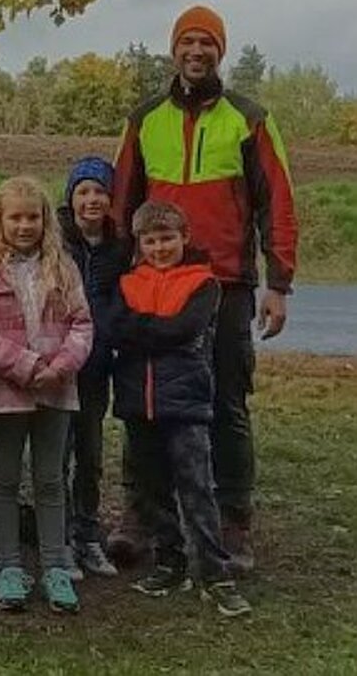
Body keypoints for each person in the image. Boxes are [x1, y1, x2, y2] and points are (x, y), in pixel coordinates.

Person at [113, 4, 298, 572]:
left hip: (225, 284)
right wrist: (116, 276)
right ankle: (143, 516)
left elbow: (279, 202)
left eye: (207, 44)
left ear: (220, 52)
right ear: (174, 50)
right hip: (153, 282)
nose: (196, 52)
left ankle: (232, 519)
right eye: (187, 42)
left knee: (225, 402)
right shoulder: (145, 118)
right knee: (144, 399)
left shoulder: (250, 118)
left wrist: (279, 282)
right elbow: (123, 202)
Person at [107, 201, 251, 618]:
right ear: (139, 244)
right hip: (138, 402)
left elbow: (185, 328)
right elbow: (116, 326)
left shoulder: (203, 284)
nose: (159, 247)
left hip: (185, 403)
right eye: (150, 240)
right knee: (152, 488)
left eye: (167, 238)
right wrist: (154, 332)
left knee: (197, 488)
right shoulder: (128, 282)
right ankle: (170, 562)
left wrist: (143, 331)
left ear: (184, 238)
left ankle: (215, 573)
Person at [0, 175, 92, 615]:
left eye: (32, 217)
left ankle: (56, 565)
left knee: (51, 477)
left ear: (45, 220)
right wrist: (24, 366)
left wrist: (58, 368)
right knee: (3, 479)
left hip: (57, 389)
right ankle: (10, 566)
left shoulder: (63, 267)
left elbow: (82, 324)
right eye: (15, 217)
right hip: (5, 390)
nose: (24, 225)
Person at [57, 156, 129, 578]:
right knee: (56, 455)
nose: (92, 200)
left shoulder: (120, 247)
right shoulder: (56, 242)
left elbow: (124, 301)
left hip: (97, 367)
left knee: (90, 453)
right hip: (59, 366)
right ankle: (60, 536)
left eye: (100, 191)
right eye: (83, 191)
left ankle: (87, 534)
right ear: (71, 197)